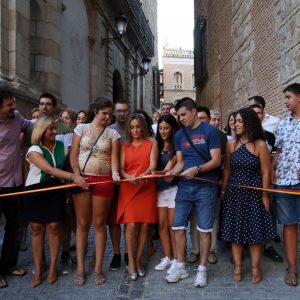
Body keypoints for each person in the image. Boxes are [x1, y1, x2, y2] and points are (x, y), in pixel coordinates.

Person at [23, 116, 87, 288]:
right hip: (35, 191)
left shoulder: (61, 147)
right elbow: (48, 169)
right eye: (50, 128)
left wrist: (76, 172)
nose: (54, 131)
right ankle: (37, 269)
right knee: (36, 229)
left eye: (54, 128)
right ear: (41, 131)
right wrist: (74, 177)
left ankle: (52, 268)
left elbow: (69, 163)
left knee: (53, 227)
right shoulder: (33, 149)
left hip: (55, 190)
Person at [165, 97, 221, 288]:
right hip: (184, 187)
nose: (181, 119)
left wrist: (196, 169)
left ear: (194, 111)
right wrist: (172, 173)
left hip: (206, 186)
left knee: (204, 230)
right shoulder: (180, 135)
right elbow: (180, 162)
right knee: (177, 227)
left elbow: (216, 161)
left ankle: (202, 270)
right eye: (178, 115)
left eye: (183, 114)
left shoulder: (210, 131)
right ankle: (180, 266)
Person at [219, 107, 276, 284]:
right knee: (235, 233)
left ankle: (255, 267)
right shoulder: (230, 144)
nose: (235, 125)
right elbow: (227, 169)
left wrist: (265, 195)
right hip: (234, 194)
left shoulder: (260, 144)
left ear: (249, 122)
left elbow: (266, 172)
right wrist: (223, 190)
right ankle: (237, 266)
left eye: (239, 121)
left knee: (255, 234)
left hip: (254, 194)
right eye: (234, 121)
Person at [70, 96, 120, 286]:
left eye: (110, 114)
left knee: (99, 224)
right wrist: (76, 175)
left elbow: (114, 158)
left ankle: (98, 268)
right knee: (82, 224)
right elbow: (73, 155)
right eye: (104, 113)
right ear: (95, 111)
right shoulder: (80, 129)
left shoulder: (112, 134)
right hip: (82, 179)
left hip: (103, 180)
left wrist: (115, 173)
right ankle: (81, 269)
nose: (108, 117)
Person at [117, 113, 158, 281]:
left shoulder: (152, 143)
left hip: (147, 186)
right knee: (132, 225)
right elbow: (120, 169)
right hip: (129, 187)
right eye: (132, 127)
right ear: (129, 128)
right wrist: (129, 178)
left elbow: (153, 165)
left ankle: (138, 258)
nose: (135, 130)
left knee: (145, 226)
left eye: (138, 126)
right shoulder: (124, 146)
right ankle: (131, 261)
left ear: (143, 127)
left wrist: (147, 173)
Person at [0, 88, 31, 288]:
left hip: (15, 182)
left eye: (14, 103)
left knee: (15, 226)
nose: (14, 107)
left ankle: (9, 265)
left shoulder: (17, 117)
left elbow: (32, 126)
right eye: (9, 104)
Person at [188, 106, 226, 265]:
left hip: (212, 182)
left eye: (204, 118)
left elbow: (224, 159)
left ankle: (211, 250)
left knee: (213, 217)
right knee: (194, 217)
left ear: (209, 119)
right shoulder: (188, 134)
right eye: (199, 118)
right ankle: (195, 250)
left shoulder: (219, 136)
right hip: (193, 182)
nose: (201, 121)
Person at [271, 83, 300, 287]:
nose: (285, 101)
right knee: (289, 225)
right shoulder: (283, 124)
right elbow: (278, 150)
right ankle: (292, 268)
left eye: (288, 97)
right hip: (284, 182)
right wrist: (272, 170)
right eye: (284, 97)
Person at [250, 104, 283, 263]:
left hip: (264, 180)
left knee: (268, 211)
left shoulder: (270, 136)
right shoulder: (242, 136)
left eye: (259, 113)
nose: (256, 116)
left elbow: (272, 157)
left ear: (263, 116)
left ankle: (268, 245)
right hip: (247, 181)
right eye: (253, 113)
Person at [154, 114, 179, 272]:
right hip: (159, 189)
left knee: (172, 224)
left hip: (175, 188)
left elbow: (168, 170)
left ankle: (177, 258)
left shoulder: (177, 146)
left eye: (166, 128)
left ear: (173, 129)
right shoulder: (155, 145)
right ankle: (167, 256)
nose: (163, 131)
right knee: (162, 224)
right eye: (161, 128)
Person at [107, 101, 130, 270]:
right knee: (114, 220)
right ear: (114, 113)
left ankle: (129, 252)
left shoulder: (133, 128)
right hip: (114, 179)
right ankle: (116, 253)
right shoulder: (109, 131)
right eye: (119, 111)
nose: (122, 113)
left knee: (129, 219)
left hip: (130, 179)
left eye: (125, 111)